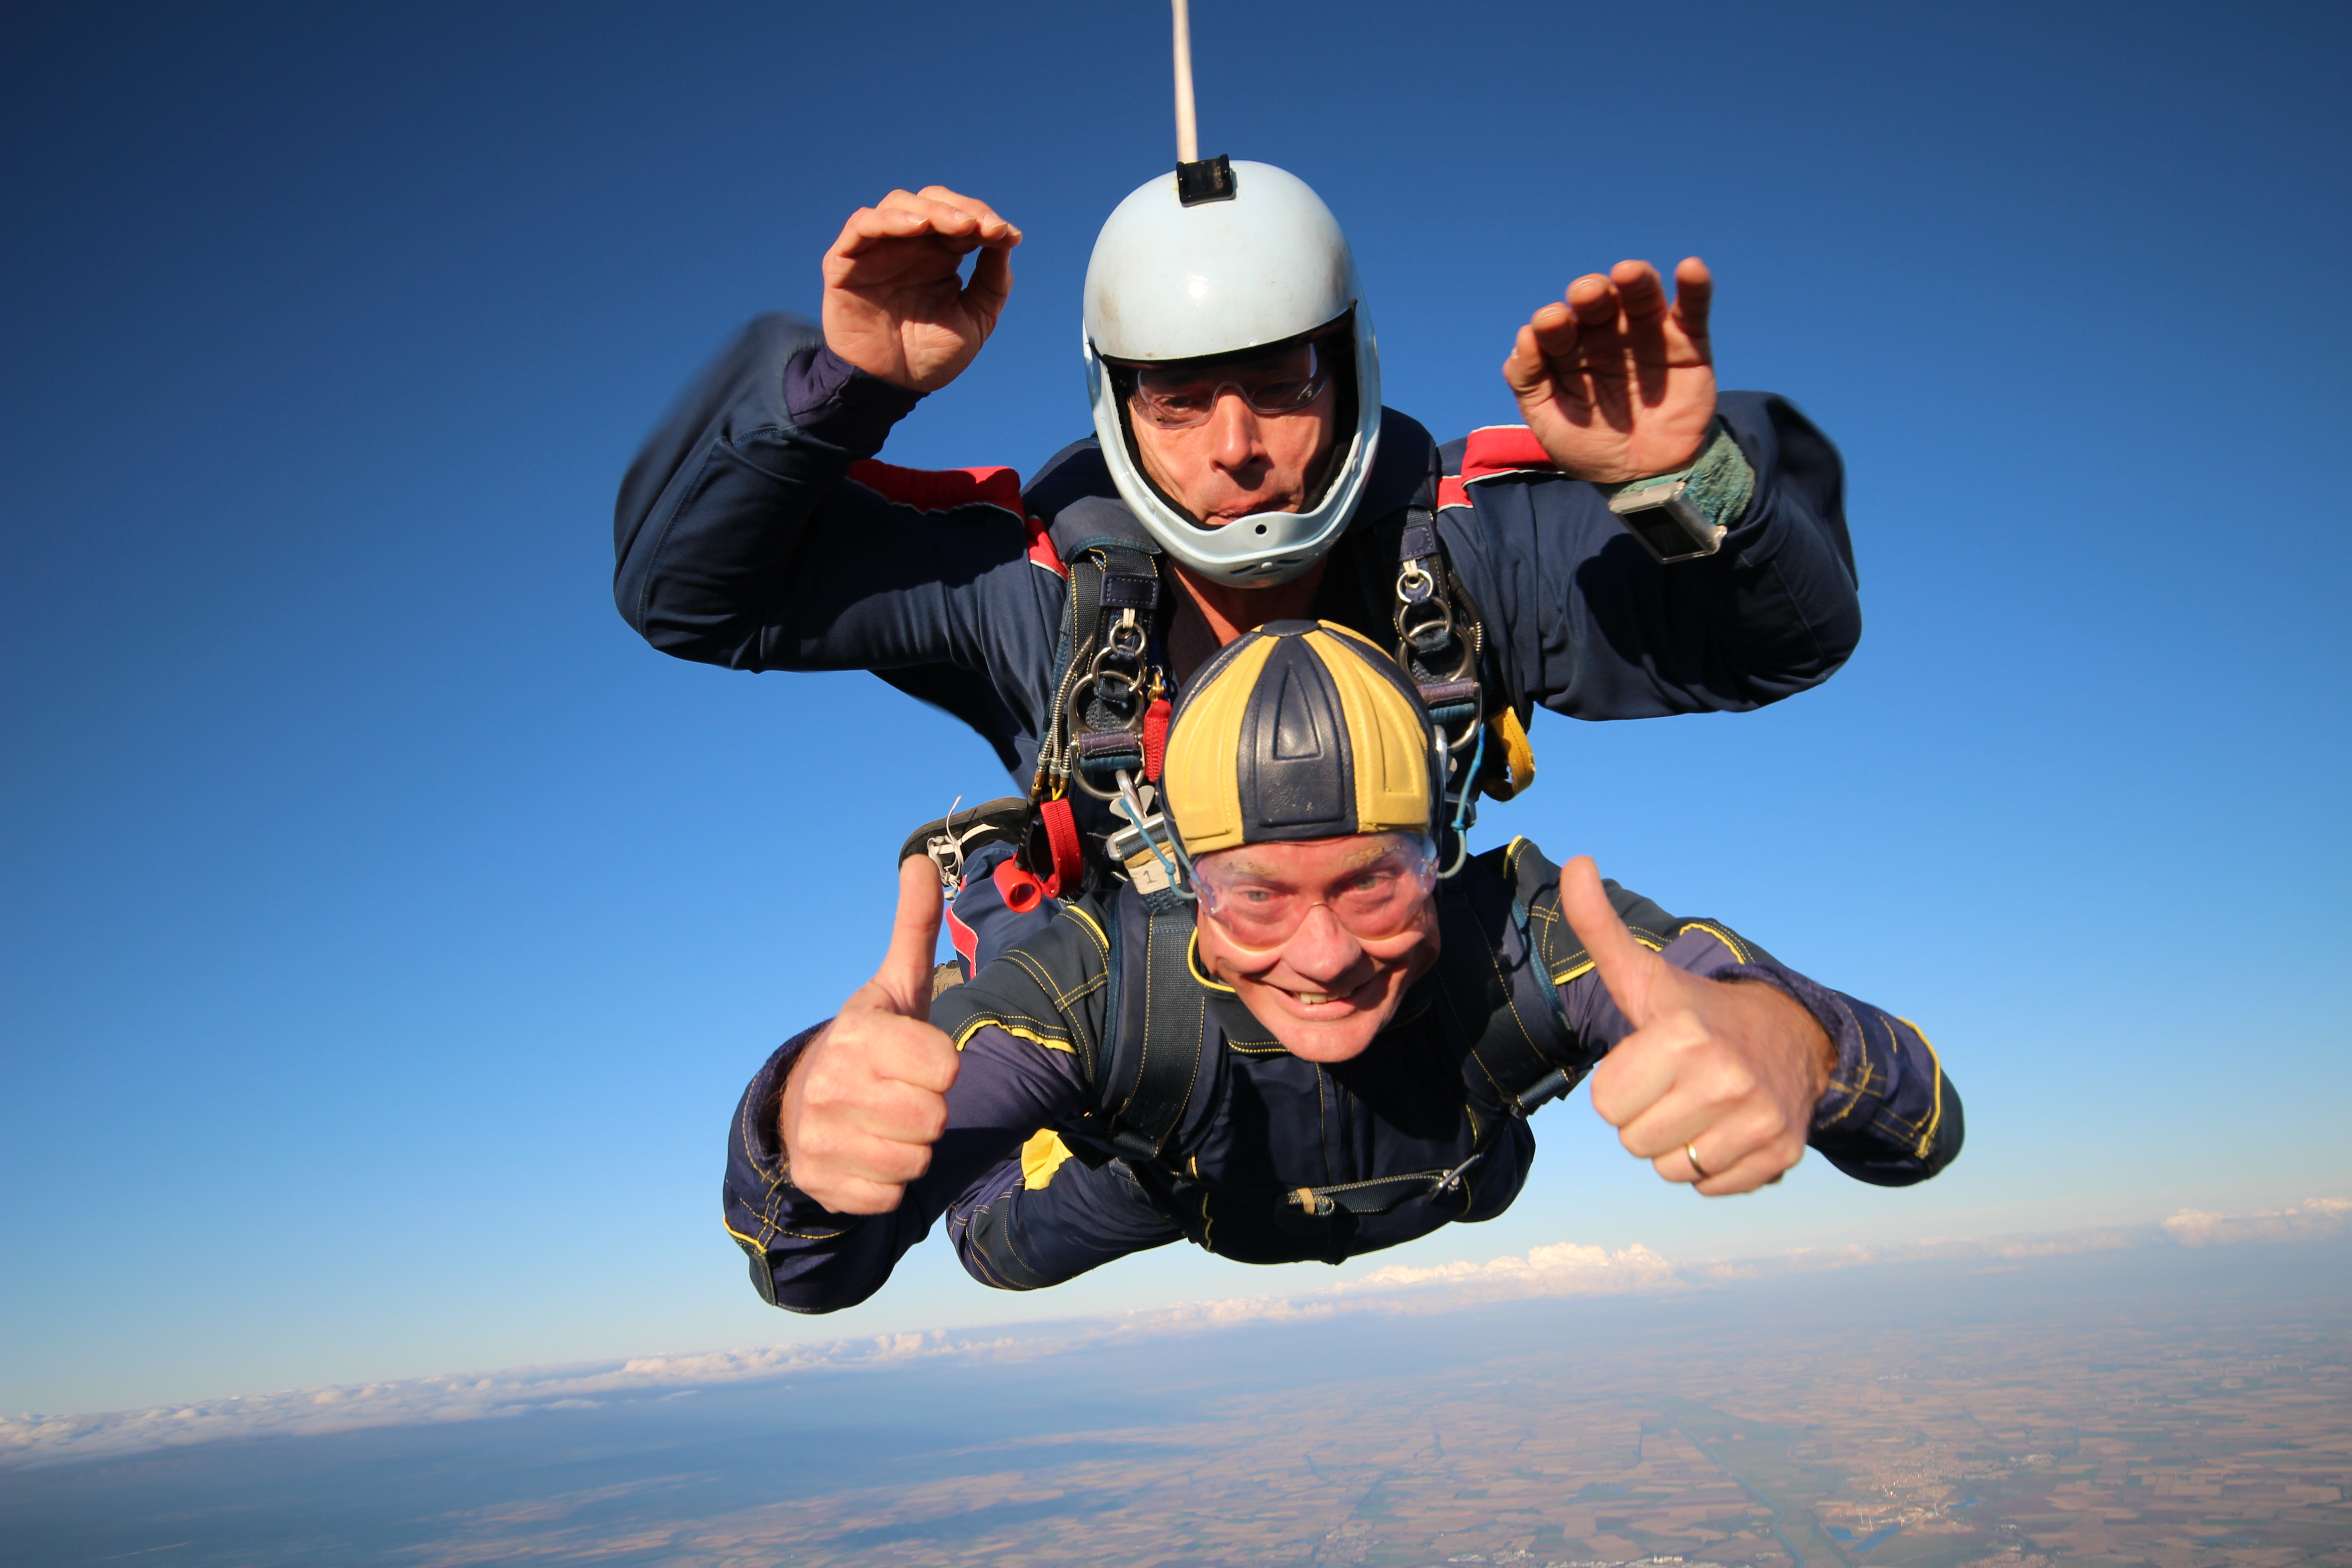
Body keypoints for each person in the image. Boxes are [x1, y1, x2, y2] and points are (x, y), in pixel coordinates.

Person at [615, 162, 1863, 971]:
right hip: (1142, 1048)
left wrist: (1677, 478)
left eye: (1278, 385)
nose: (1237, 448)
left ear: (1349, 371)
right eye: (1178, 402)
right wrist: (848, 386)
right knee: (993, 1219)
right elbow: (692, 594)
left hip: (1395, 999)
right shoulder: (1036, 588)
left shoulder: (1468, 543)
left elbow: (1786, 638)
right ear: (1115, 406)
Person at [725, 622, 1957, 1313]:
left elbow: (1924, 1125)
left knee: (1482, 1169)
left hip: (1414, 1171)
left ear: (1446, 854)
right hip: (1157, 1170)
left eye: (1374, 881)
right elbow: (811, 1268)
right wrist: (804, 1127)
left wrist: (1798, 1052)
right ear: (1174, 882)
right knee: (998, 1247)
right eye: (1254, 895)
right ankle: (1000, 893)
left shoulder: (1532, 934)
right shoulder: (1096, 995)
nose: (1323, 956)